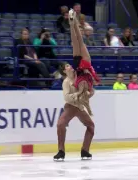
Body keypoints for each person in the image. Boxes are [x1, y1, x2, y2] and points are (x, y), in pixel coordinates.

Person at [54, 8, 99, 161]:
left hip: (79, 105)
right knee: (60, 124)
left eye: (68, 65)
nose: (68, 67)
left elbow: (91, 91)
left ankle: (85, 150)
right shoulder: (66, 82)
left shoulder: (75, 69)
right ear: (65, 72)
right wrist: (81, 95)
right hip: (72, 106)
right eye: (66, 67)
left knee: (91, 126)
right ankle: (61, 151)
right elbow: (68, 97)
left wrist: (88, 93)